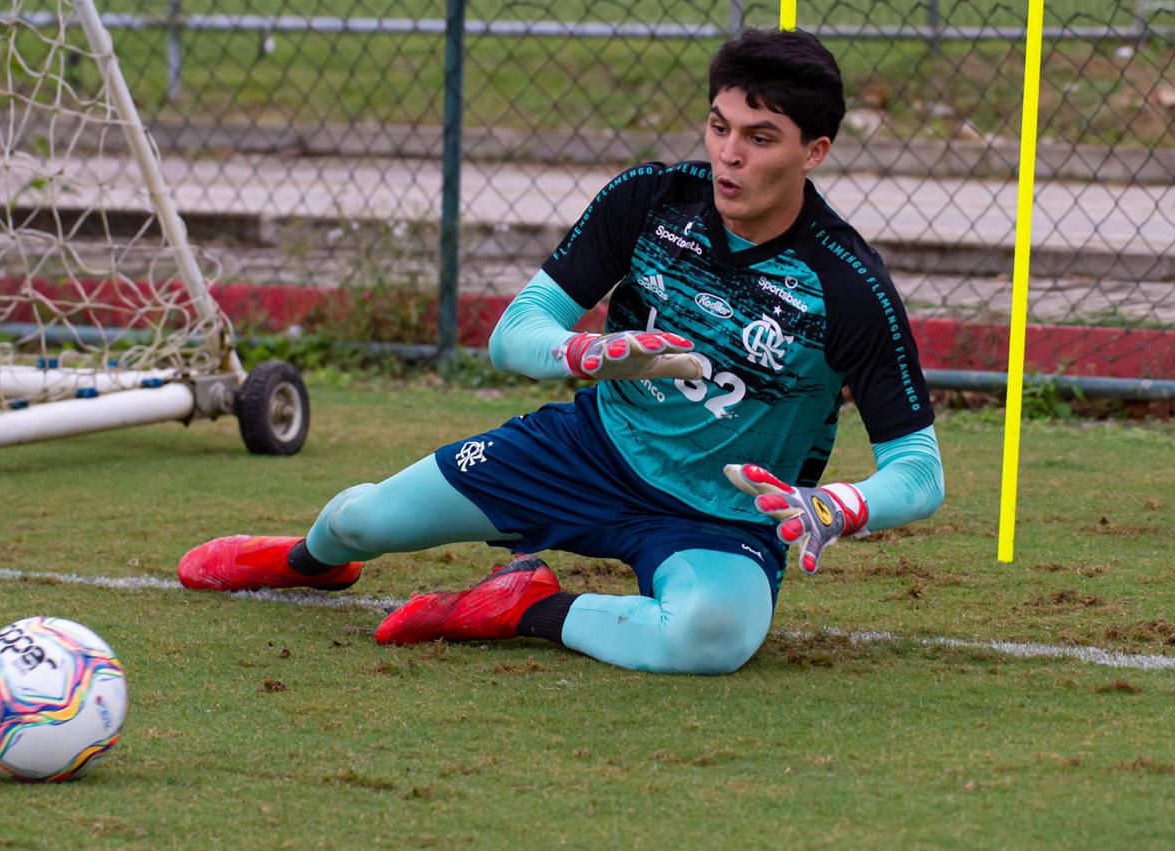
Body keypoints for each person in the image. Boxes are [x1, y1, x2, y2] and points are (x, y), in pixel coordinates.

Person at [178, 28, 945, 675]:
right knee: (362, 519)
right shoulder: (649, 200)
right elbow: (516, 331)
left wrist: (837, 505)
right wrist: (590, 354)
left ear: (815, 151)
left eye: (760, 137)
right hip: (586, 451)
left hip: (721, 517)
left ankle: (525, 604)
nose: (728, 155)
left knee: (710, 637)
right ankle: (306, 562)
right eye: (719, 127)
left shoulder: (847, 285)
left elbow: (919, 470)